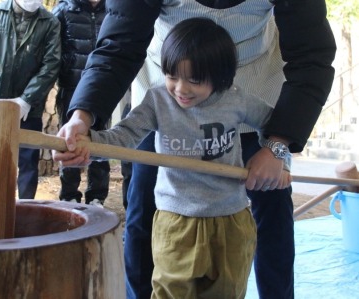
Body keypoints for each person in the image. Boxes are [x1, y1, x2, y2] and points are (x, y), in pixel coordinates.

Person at [53, 1, 337, 298]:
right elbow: (119, 45)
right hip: (168, 102)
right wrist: (82, 119)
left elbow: (311, 55)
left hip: (252, 86)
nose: (185, 87)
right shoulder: (163, 97)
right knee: (142, 211)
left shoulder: (243, 102)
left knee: (274, 211)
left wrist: (277, 146)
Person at [0, 0, 61, 200]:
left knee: (27, 161)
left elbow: (51, 64)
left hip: (30, 108)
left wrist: (27, 99)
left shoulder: (50, 21)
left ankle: (26, 210)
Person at [52, 0, 109, 207]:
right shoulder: (63, 9)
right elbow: (52, 51)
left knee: (100, 143)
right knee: (69, 141)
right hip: (71, 88)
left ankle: (96, 196)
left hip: (103, 90)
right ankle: (69, 195)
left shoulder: (112, 8)